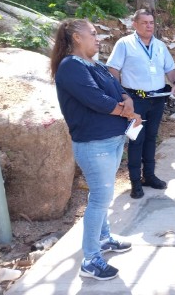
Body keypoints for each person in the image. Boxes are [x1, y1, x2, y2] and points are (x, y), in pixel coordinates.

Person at [51, 19, 141, 280]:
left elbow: (117, 89)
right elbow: (95, 99)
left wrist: (127, 100)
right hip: (94, 144)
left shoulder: (94, 64)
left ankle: (103, 238)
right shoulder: (70, 66)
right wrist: (126, 111)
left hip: (111, 141)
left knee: (101, 196)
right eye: (92, 34)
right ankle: (90, 260)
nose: (97, 38)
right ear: (76, 38)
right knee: (101, 199)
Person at [107, 9, 175, 199]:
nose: (149, 26)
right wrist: (120, 94)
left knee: (151, 137)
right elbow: (113, 69)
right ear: (135, 24)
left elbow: (170, 68)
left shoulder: (160, 46)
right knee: (136, 139)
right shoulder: (125, 44)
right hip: (136, 100)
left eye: (151, 22)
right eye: (144, 22)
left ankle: (149, 176)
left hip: (157, 99)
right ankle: (135, 182)